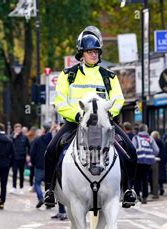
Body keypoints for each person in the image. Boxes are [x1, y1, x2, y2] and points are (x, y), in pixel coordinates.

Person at [43, 26, 137, 208]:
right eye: (89, 51)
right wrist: (77, 115)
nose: (93, 55)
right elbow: (60, 102)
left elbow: (118, 99)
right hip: (76, 123)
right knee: (51, 150)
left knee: (131, 151)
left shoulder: (109, 76)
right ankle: (49, 190)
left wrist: (108, 114)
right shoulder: (67, 75)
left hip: (104, 122)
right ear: (81, 53)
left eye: (96, 51)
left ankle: (128, 190)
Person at [132, 124, 159, 204]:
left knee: (137, 179)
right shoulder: (150, 138)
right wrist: (151, 154)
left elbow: (133, 149)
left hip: (139, 161)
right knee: (145, 179)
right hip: (148, 161)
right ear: (146, 130)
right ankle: (145, 197)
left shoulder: (136, 138)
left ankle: (137, 196)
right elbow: (156, 150)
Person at [31, 122, 54, 208]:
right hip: (48, 165)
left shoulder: (37, 140)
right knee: (48, 184)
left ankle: (40, 198)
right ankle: (48, 202)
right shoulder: (51, 140)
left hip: (39, 164)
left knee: (37, 183)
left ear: (43, 130)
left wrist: (34, 163)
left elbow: (32, 153)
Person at [10, 123, 30, 195]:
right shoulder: (12, 137)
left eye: (19, 129)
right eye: (16, 129)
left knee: (21, 174)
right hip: (14, 158)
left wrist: (28, 155)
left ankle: (21, 188)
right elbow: (9, 145)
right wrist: (14, 137)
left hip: (22, 157)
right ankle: (14, 187)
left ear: (21, 129)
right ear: (14, 129)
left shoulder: (24, 137)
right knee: (14, 173)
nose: (18, 130)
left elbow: (29, 147)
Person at [150, 130, 167, 196]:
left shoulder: (154, 142)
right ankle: (161, 188)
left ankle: (154, 190)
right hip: (162, 159)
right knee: (160, 175)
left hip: (156, 159)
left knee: (153, 175)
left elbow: (154, 150)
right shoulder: (161, 141)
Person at [27, 127, 38, 191]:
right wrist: (28, 155)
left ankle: (34, 186)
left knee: (34, 172)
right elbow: (28, 148)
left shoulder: (37, 138)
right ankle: (31, 185)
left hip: (35, 157)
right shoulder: (29, 138)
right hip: (31, 156)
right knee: (31, 172)